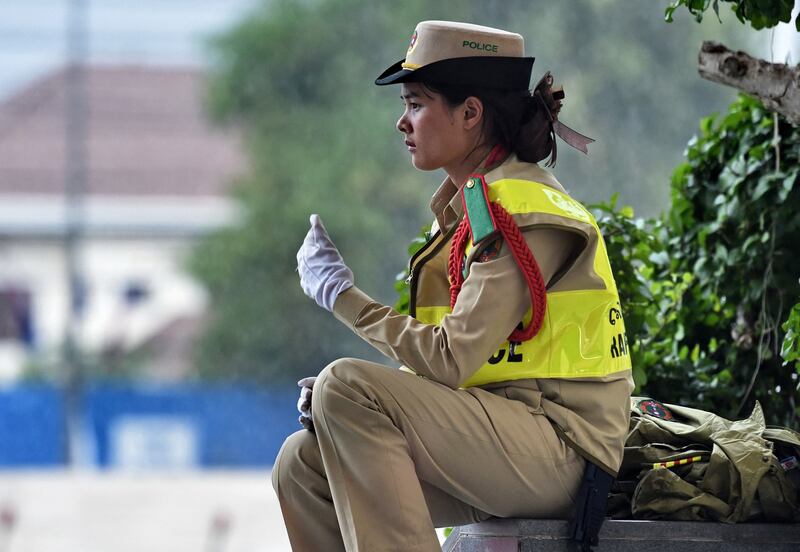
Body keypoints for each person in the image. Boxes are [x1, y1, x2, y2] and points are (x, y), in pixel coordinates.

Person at [273, 20, 634, 552]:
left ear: (470, 114)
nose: (402, 122)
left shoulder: (523, 212)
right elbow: (466, 366)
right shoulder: (473, 212)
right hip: (505, 436)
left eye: (416, 103)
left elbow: (450, 358)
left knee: (345, 386)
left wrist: (341, 297)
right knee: (300, 465)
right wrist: (350, 407)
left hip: (561, 450)